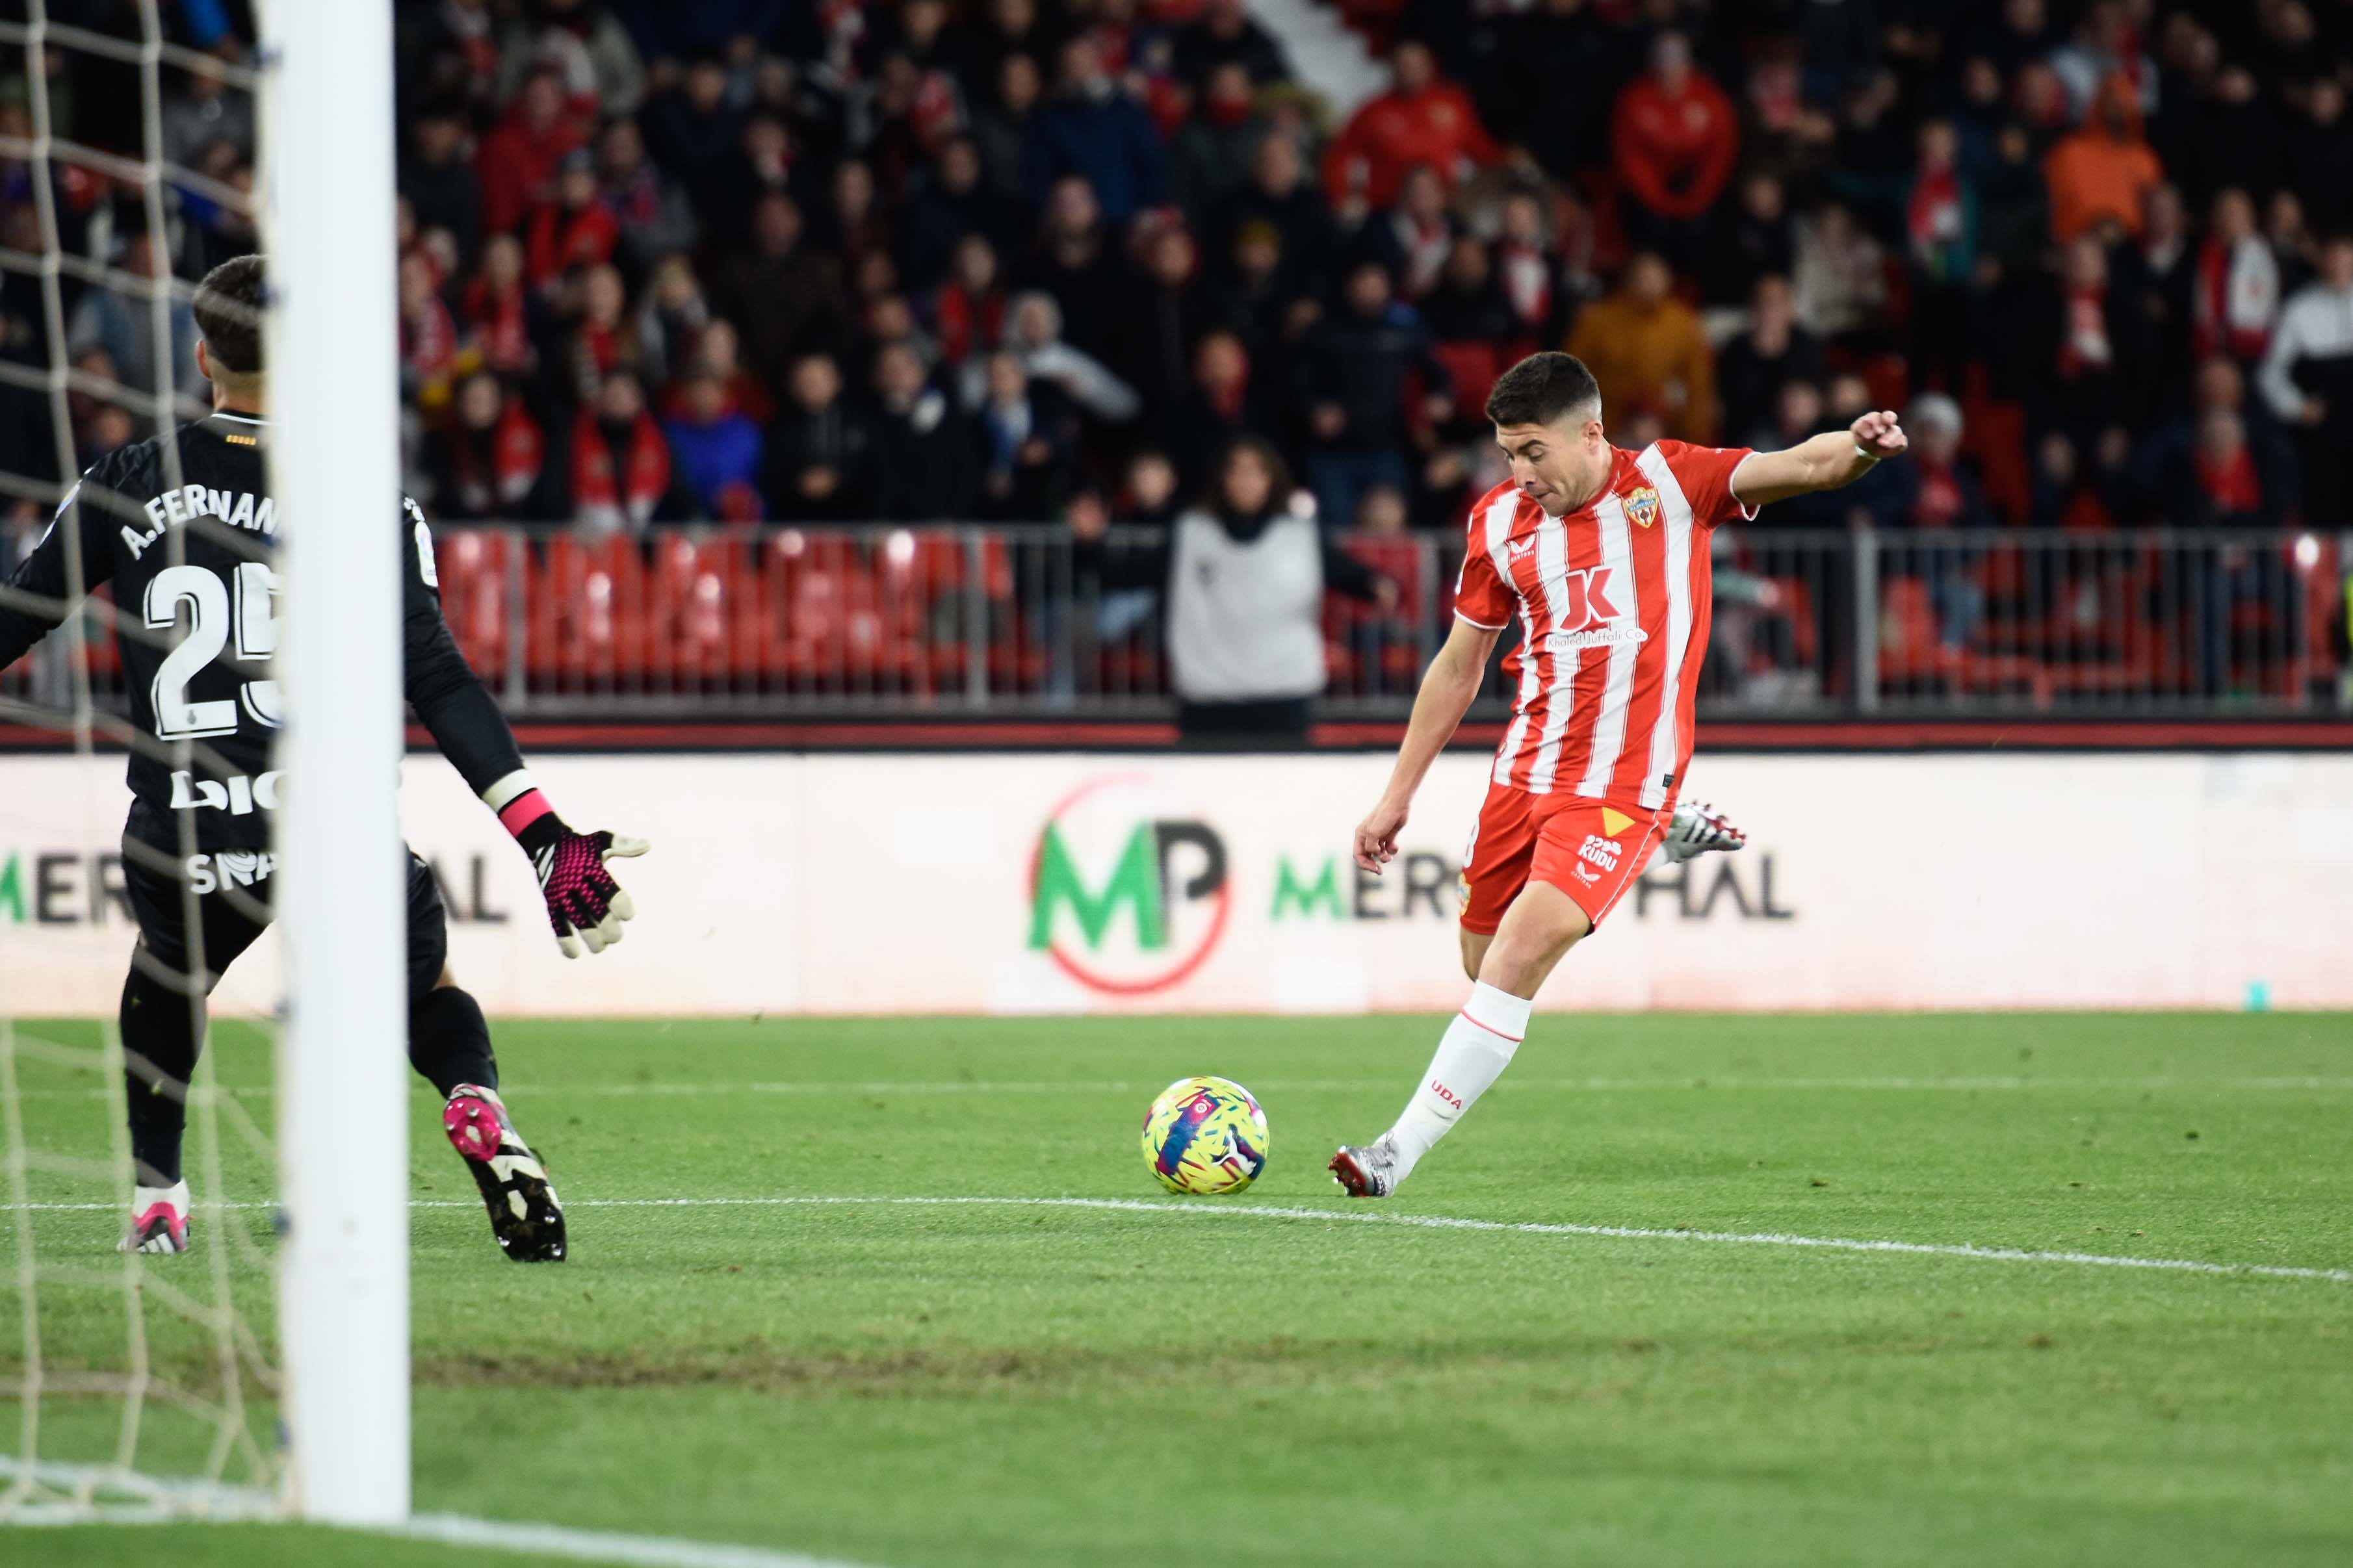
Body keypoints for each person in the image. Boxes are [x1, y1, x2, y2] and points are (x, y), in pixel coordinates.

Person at [0, 257, 647, 1259]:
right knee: (421, 992)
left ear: (201, 353)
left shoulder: (126, 481)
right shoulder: (360, 498)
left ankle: (159, 1204)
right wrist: (542, 833)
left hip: (185, 828)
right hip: (327, 826)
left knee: (166, 980)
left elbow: (17, 622)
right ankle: (472, 1098)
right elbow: (438, 679)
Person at [1330, 351, 1906, 1197]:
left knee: (1519, 957)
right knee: (1481, 957)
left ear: (1591, 433)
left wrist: (1859, 447)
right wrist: (1395, 795)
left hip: (1622, 782)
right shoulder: (1497, 523)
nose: (1521, 473)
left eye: (1535, 452)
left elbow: (1802, 466)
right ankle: (1658, 844)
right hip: (1524, 774)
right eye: (1507, 455)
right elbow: (1459, 667)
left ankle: (1395, 1151)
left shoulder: (1671, 485)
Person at [1072, 436, 1392, 742]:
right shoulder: (1191, 534)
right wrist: (1089, 546)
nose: (1245, 480)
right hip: (1209, 699)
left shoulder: (1301, 536)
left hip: (1284, 696)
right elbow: (1126, 574)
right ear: (1221, 478)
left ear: (1272, 478)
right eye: (1236, 470)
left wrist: (1381, 587)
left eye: (1255, 471)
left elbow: (1356, 578)